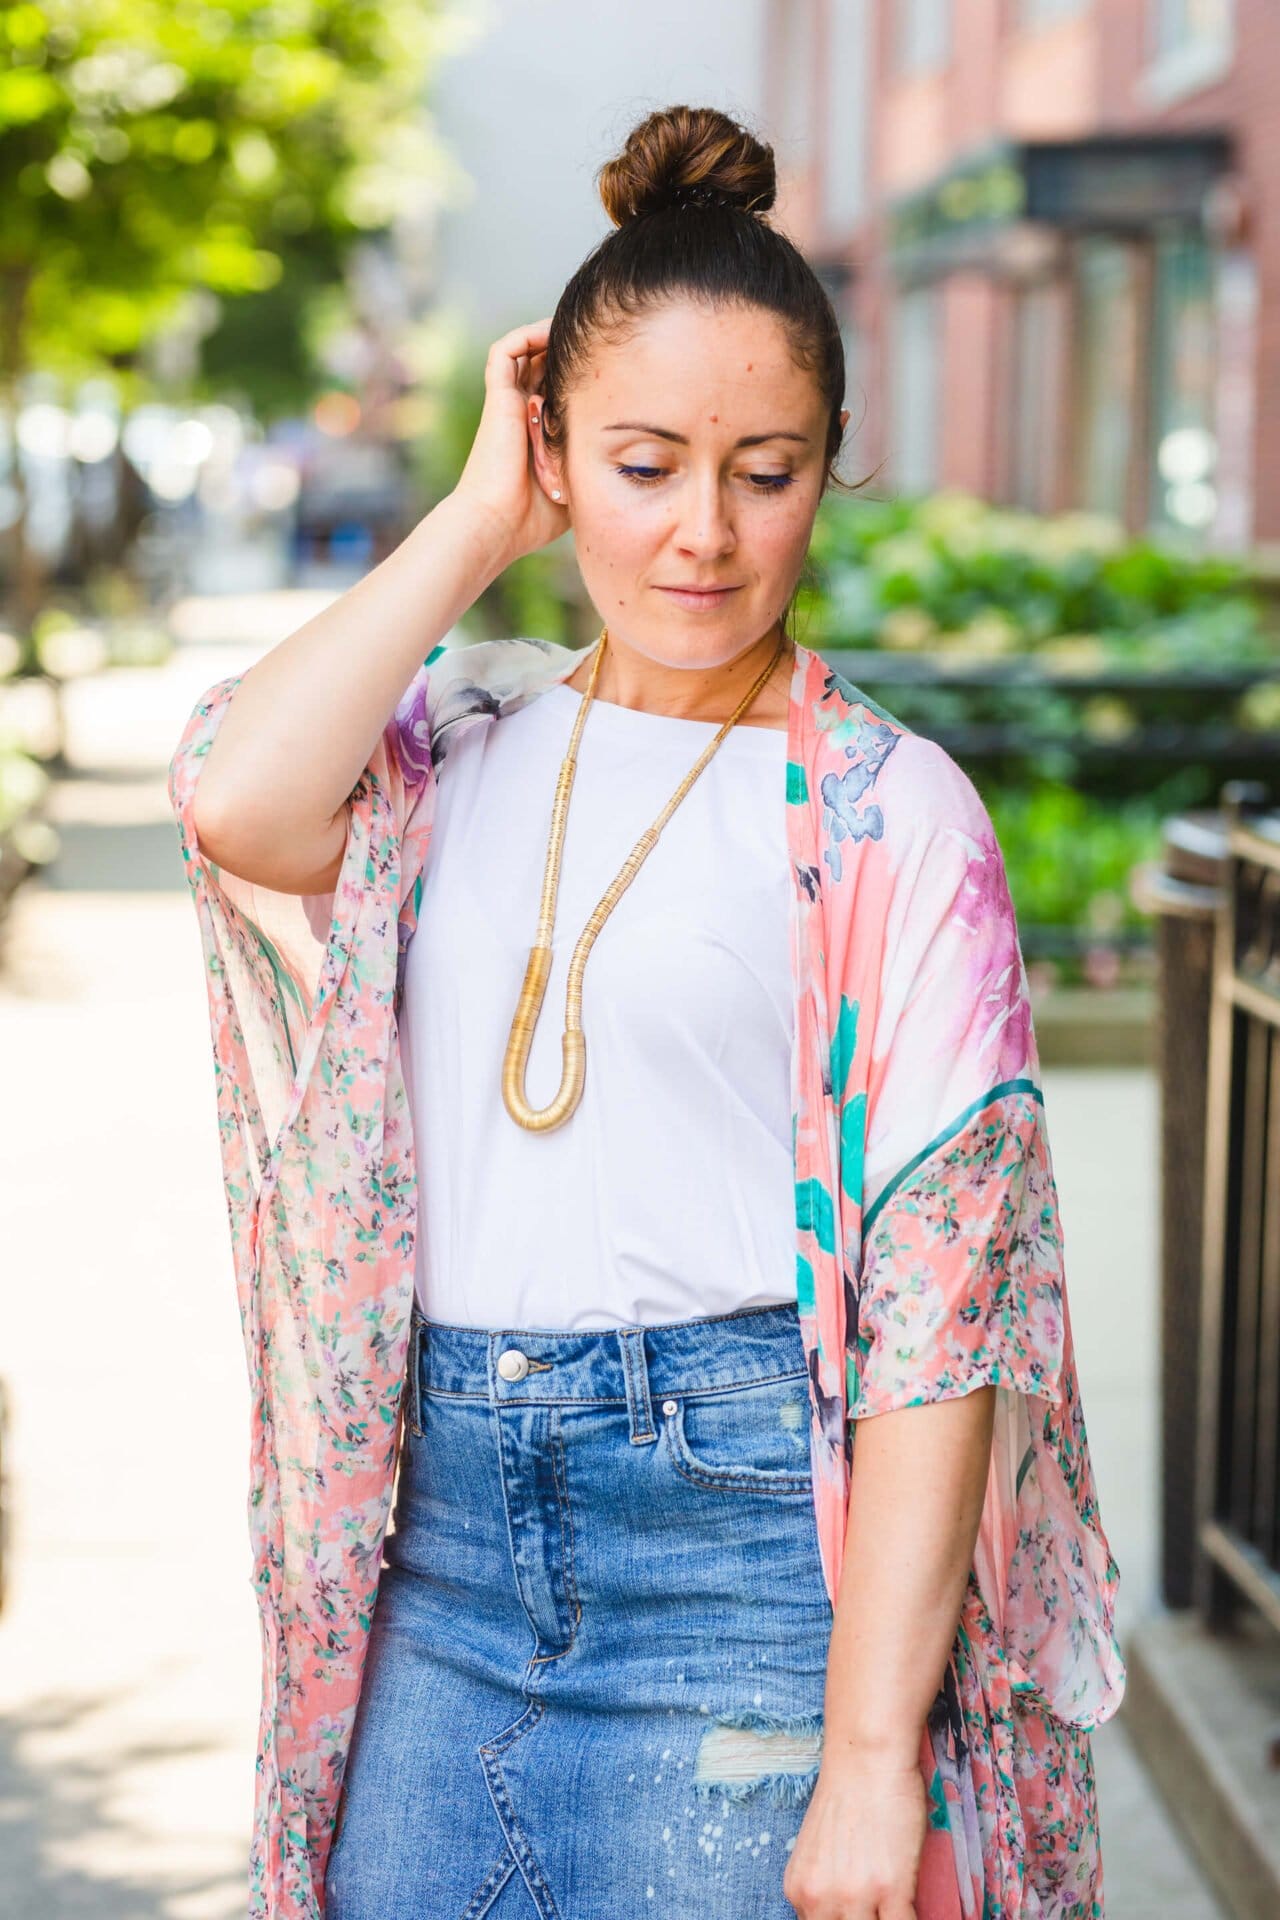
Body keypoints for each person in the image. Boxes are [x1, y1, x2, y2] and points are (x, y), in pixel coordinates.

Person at [169, 104, 1125, 1920]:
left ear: (829, 464)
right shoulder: (455, 737)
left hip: (746, 1574)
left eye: (765, 470)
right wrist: (472, 521)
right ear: (556, 456)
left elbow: (944, 1322)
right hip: (435, 1571)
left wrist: (868, 1758)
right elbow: (235, 802)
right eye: (643, 463)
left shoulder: (883, 816)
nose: (703, 531)